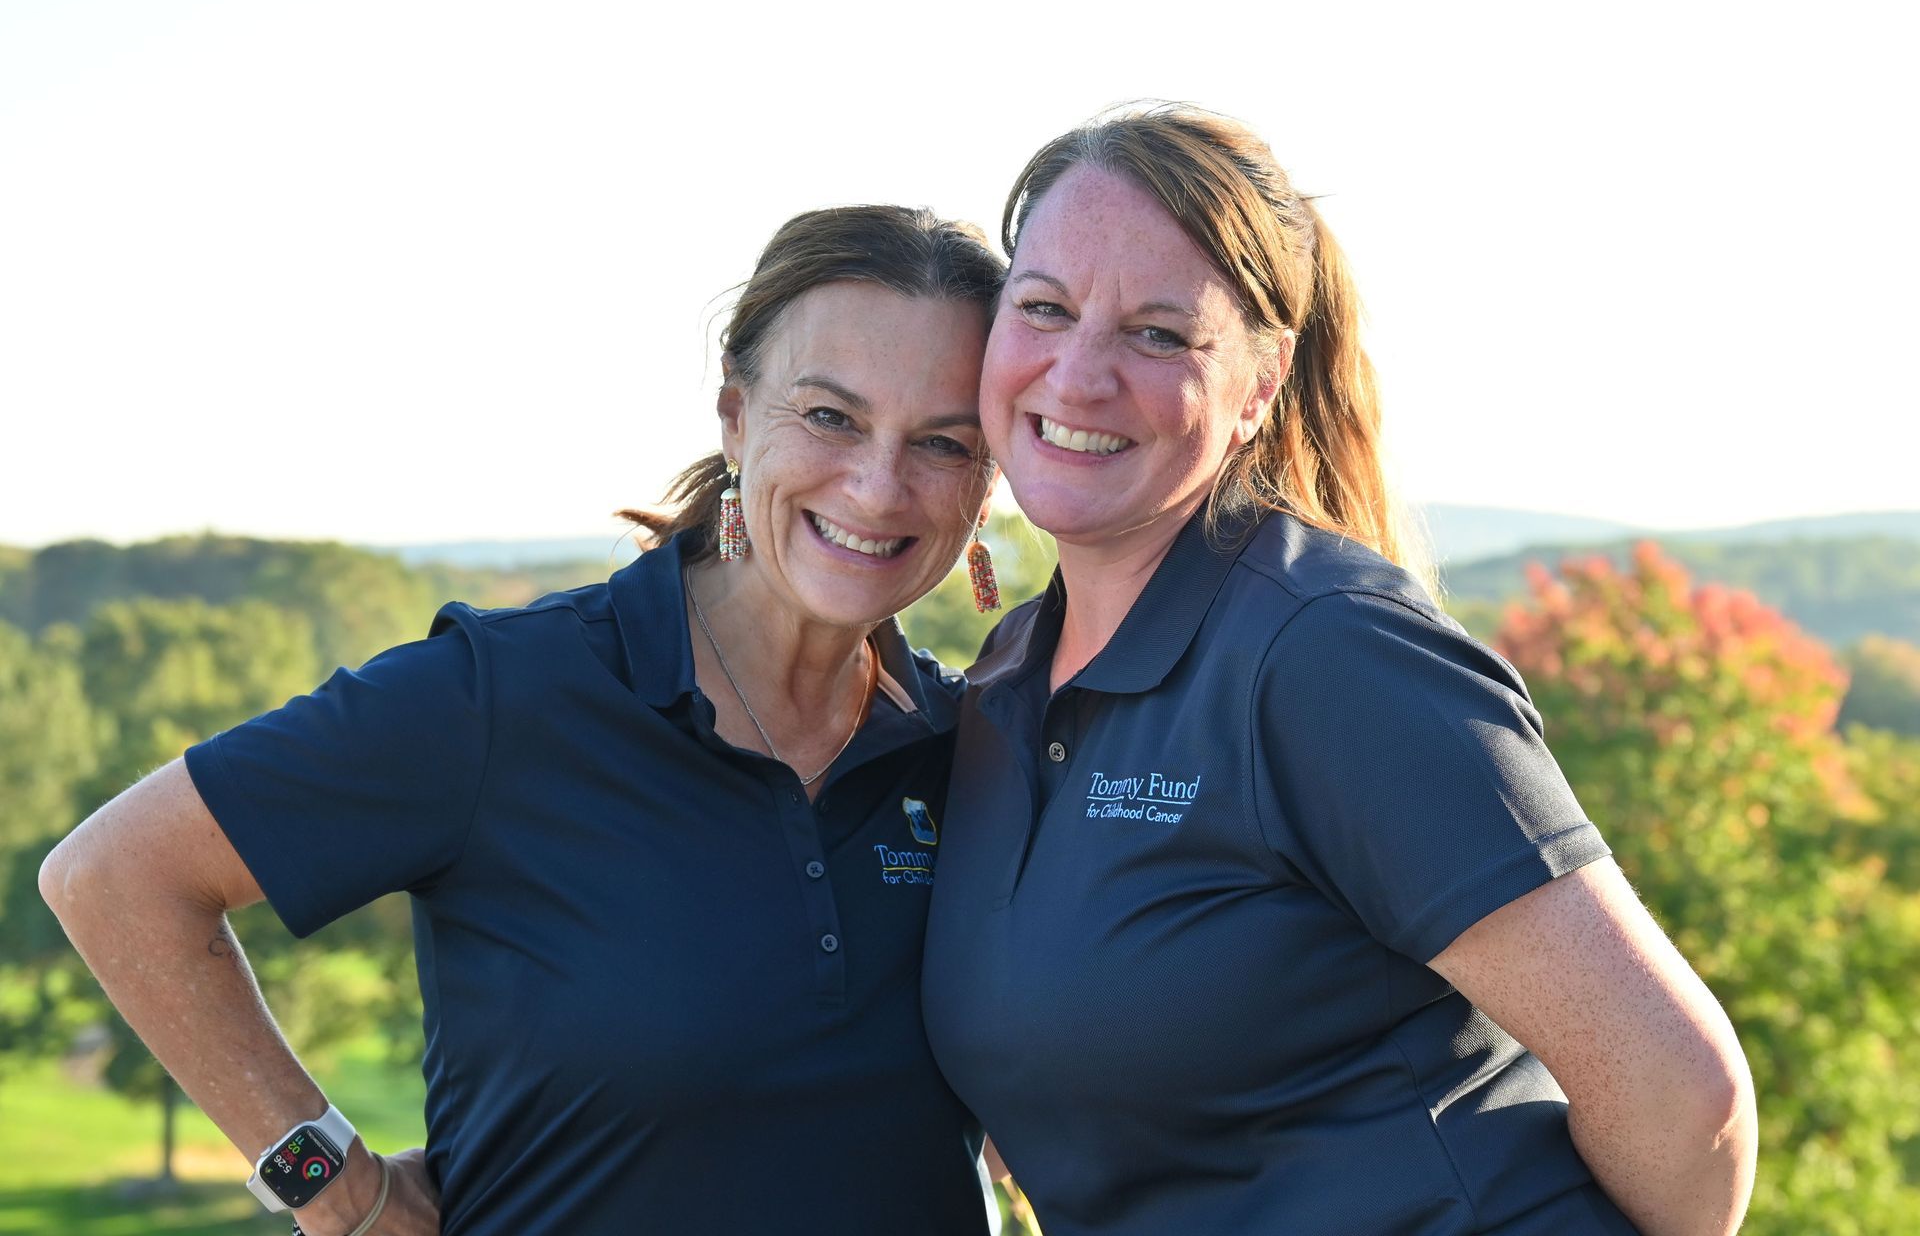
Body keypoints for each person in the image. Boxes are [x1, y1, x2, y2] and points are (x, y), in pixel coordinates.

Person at [40, 204, 1007, 1236]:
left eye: (943, 441)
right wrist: (338, 1188)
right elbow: (114, 878)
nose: (877, 483)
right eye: (830, 416)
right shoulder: (506, 696)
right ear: (735, 415)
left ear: (991, 481)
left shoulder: (979, 744)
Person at [921, 106, 1758, 1236]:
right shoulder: (1007, 678)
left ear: (1259, 389)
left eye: (1160, 334)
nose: (1079, 372)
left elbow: (1684, 1093)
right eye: (1045, 308)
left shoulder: (1327, 650)